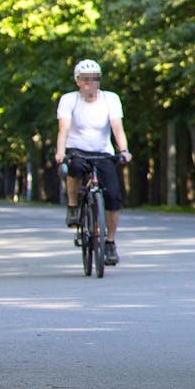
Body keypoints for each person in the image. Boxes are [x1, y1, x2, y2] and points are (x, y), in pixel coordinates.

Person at [55, 59, 132, 265]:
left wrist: (123, 150)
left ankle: (109, 242)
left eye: (95, 79)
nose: (91, 83)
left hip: (102, 152)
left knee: (114, 196)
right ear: (78, 81)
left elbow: (117, 127)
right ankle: (73, 207)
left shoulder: (110, 99)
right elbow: (63, 129)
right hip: (77, 150)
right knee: (75, 168)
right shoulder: (69, 100)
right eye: (86, 79)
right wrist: (60, 153)